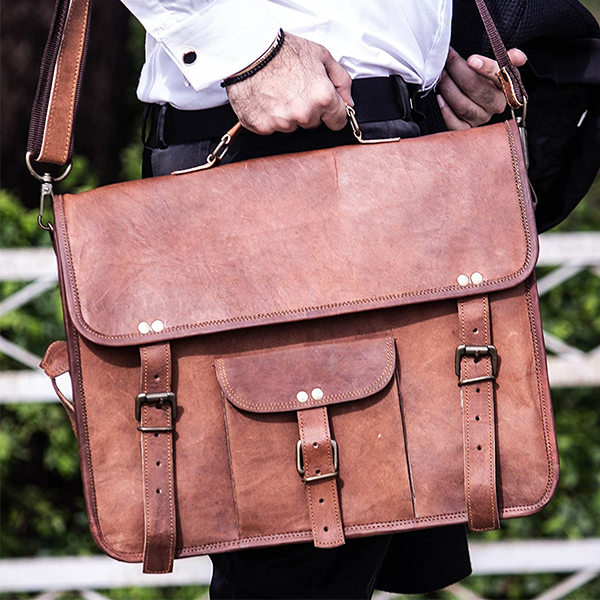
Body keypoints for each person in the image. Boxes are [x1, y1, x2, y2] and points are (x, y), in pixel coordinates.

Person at [117, 1, 599, 598]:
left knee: (382, 536)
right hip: (270, 152)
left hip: (411, 155)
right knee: (295, 566)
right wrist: (241, 48)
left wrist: (455, 57)